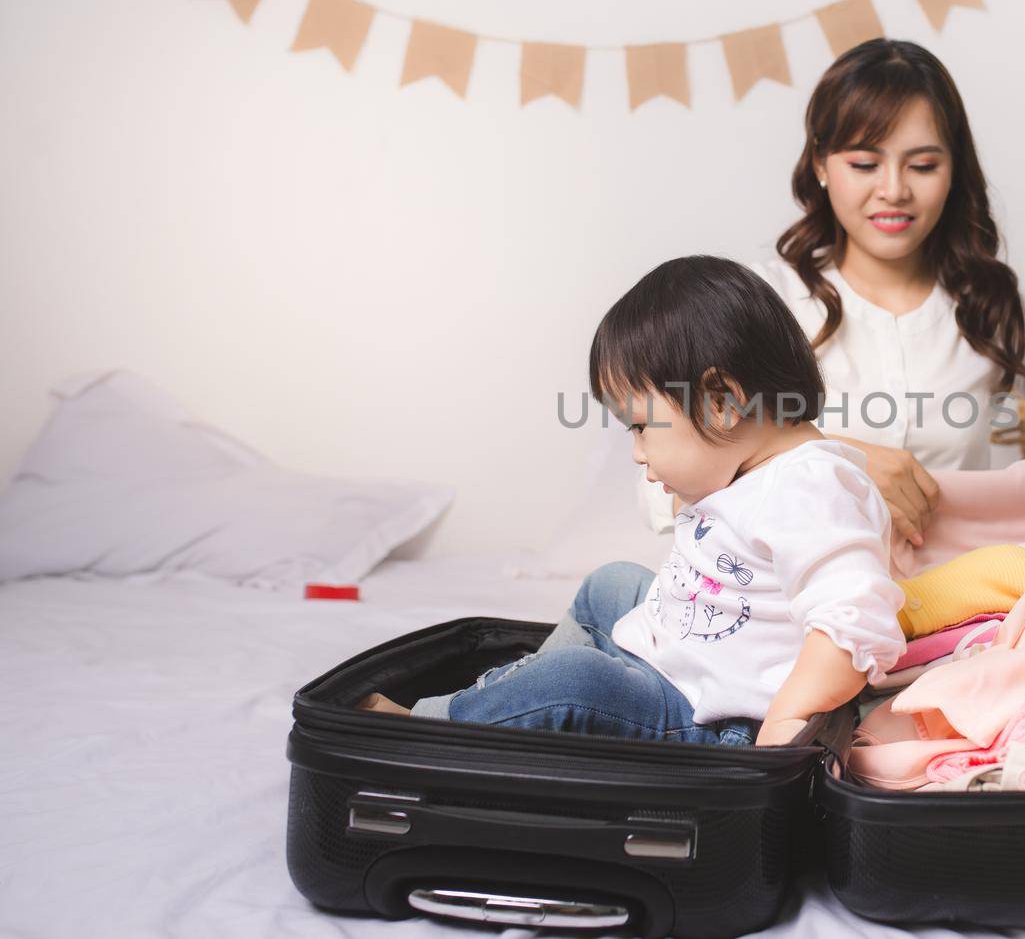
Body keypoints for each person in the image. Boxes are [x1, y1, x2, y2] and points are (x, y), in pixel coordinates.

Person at [639, 38, 1025, 547]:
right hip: (788, 613)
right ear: (821, 165)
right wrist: (838, 462)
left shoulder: (990, 310)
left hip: (958, 615)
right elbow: (659, 484)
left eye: (923, 165)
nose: (894, 191)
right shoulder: (762, 299)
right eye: (864, 163)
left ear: (954, 170)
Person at [361, 256, 906, 748]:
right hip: (683, 662)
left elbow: (853, 619)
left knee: (574, 681)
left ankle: (435, 727)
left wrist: (790, 720)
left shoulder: (811, 488)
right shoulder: (750, 471)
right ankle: (517, 706)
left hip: (717, 718)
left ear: (721, 403)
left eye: (641, 427)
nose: (637, 453)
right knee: (612, 584)